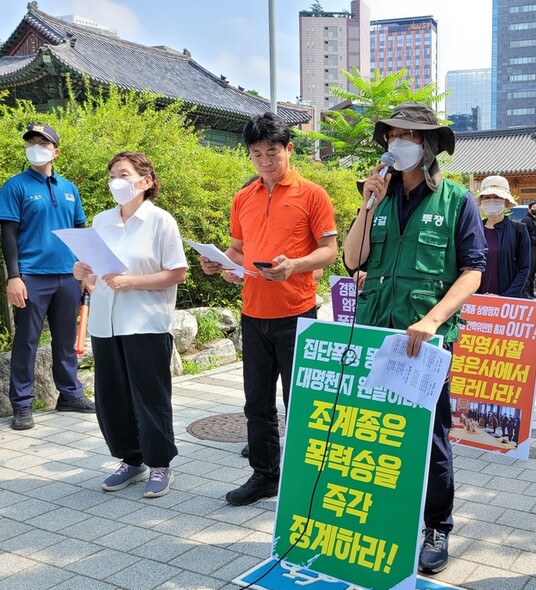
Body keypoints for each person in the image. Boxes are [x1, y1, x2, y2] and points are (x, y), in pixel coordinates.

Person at [343, 101, 487, 575]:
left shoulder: (456, 200)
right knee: (376, 426)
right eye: (391, 136)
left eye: (408, 136)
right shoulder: (377, 198)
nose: (397, 144)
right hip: (376, 332)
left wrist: (433, 319)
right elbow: (351, 260)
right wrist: (367, 201)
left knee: (431, 435)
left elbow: (472, 273)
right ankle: (386, 516)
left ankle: (437, 525)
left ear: (428, 146)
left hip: (427, 339)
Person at [200, 112, 337, 505]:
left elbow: (329, 252)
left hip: (297, 312)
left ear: (289, 150)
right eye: (256, 154)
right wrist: (221, 263)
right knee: (256, 402)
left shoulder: (313, 195)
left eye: (272, 153)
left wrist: (294, 265)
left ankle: (308, 477)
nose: (265, 162)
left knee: (301, 401)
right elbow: (239, 249)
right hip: (253, 312)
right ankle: (264, 476)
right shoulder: (244, 196)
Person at [73, 152, 187, 497]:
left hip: (145, 321)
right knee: (111, 396)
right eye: (112, 176)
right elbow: (93, 267)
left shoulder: (160, 221)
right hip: (106, 323)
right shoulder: (102, 220)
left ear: (146, 180)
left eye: (123, 174)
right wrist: (83, 272)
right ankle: (130, 459)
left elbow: (177, 272)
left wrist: (132, 281)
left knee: (149, 396)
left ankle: (160, 464)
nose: (116, 182)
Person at [0, 124, 95, 431]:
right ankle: (23, 405)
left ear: (56, 151)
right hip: (31, 277)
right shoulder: (15, 186)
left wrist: (86, 271)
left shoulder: (70, 188)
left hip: (68, 275)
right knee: (26, 341)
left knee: (66, 340)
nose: (36, 146)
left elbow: (80, 232)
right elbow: (8, 234)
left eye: (43, 142)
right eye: (31, 142)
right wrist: (14, 277)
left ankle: (69, 394)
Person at [476, 175, 530, 297]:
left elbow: (525, 269)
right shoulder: (474, 230)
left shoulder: (519, 230)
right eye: (487, 197)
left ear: (506, 201)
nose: (492, 201)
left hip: (506, 302)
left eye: (497, 197)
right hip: (476, 300)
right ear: (481, 201)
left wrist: (505, 297)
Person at [520, 200, 536, 298]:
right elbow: (523, 236)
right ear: (529, 209)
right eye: (534, 209)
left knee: (533, 271)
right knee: (528, 271)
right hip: (529, 248)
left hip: (535, 248)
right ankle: (525, 292)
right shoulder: (526, 220)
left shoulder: (535, 221)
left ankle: (531, 291)